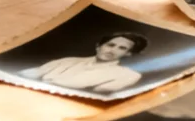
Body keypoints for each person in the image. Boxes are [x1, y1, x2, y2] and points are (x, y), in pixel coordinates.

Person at [18, 31, 147, 93]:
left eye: (122, 48)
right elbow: (29, 74)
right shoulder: (68, 61)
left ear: (128, 54)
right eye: (110, 45)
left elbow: (96, 94)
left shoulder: (128, 75)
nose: (112, 50)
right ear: (99, 46)